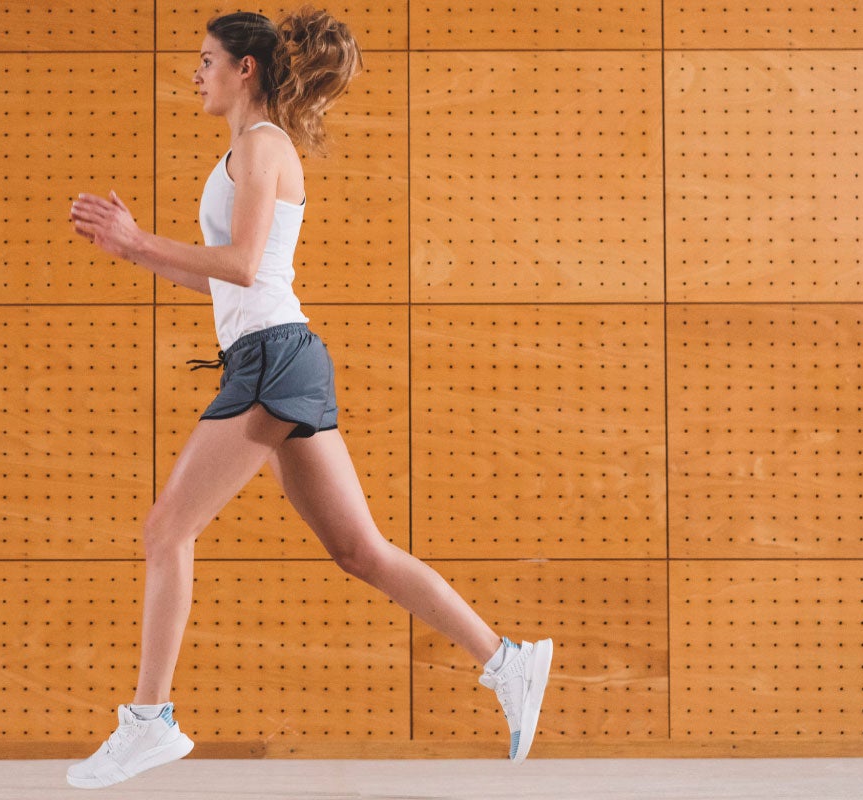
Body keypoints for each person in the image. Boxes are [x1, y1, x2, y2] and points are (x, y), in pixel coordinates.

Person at [61, 6, 553, 789]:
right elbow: (222, 273)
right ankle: (506, 660)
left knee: (166, 529)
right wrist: (135, 252)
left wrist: (138, 240)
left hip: (272, 361)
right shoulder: (247, 151)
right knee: (359, 551)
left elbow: (246, 264)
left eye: (207, 59)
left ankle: (149, 723)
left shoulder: (262, 146)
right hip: (276, 357)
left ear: (244, 69)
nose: (196, 72)